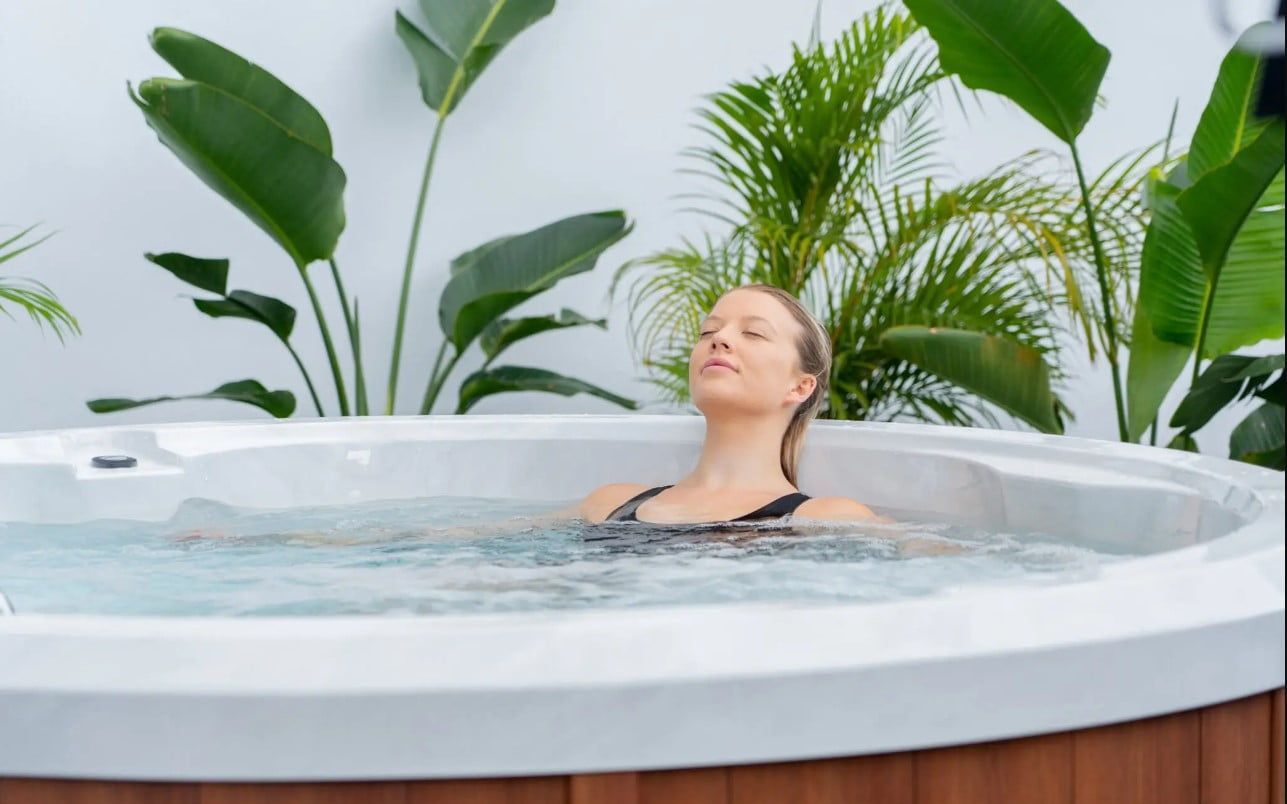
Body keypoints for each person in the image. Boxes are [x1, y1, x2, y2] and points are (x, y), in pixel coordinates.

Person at [180, 284, 960, 556]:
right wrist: (259, 542)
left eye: (750, 332)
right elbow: (429, 540)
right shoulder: (610, 501)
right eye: (709, 328)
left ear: (799, 385)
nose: (718, 337)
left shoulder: (821, 519)